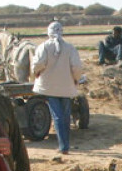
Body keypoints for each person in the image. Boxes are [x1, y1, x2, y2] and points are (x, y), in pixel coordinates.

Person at [31, 21, 84, 156]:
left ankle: (63, 146)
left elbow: (37, 64)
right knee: (65, 116)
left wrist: (36, 72)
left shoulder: (43, 47)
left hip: (49, 87)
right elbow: (77, 67)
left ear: (48, 32)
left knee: (57, 116)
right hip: (66, 87)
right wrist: (76, 79)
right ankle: (65, 144)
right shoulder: (70, 48)